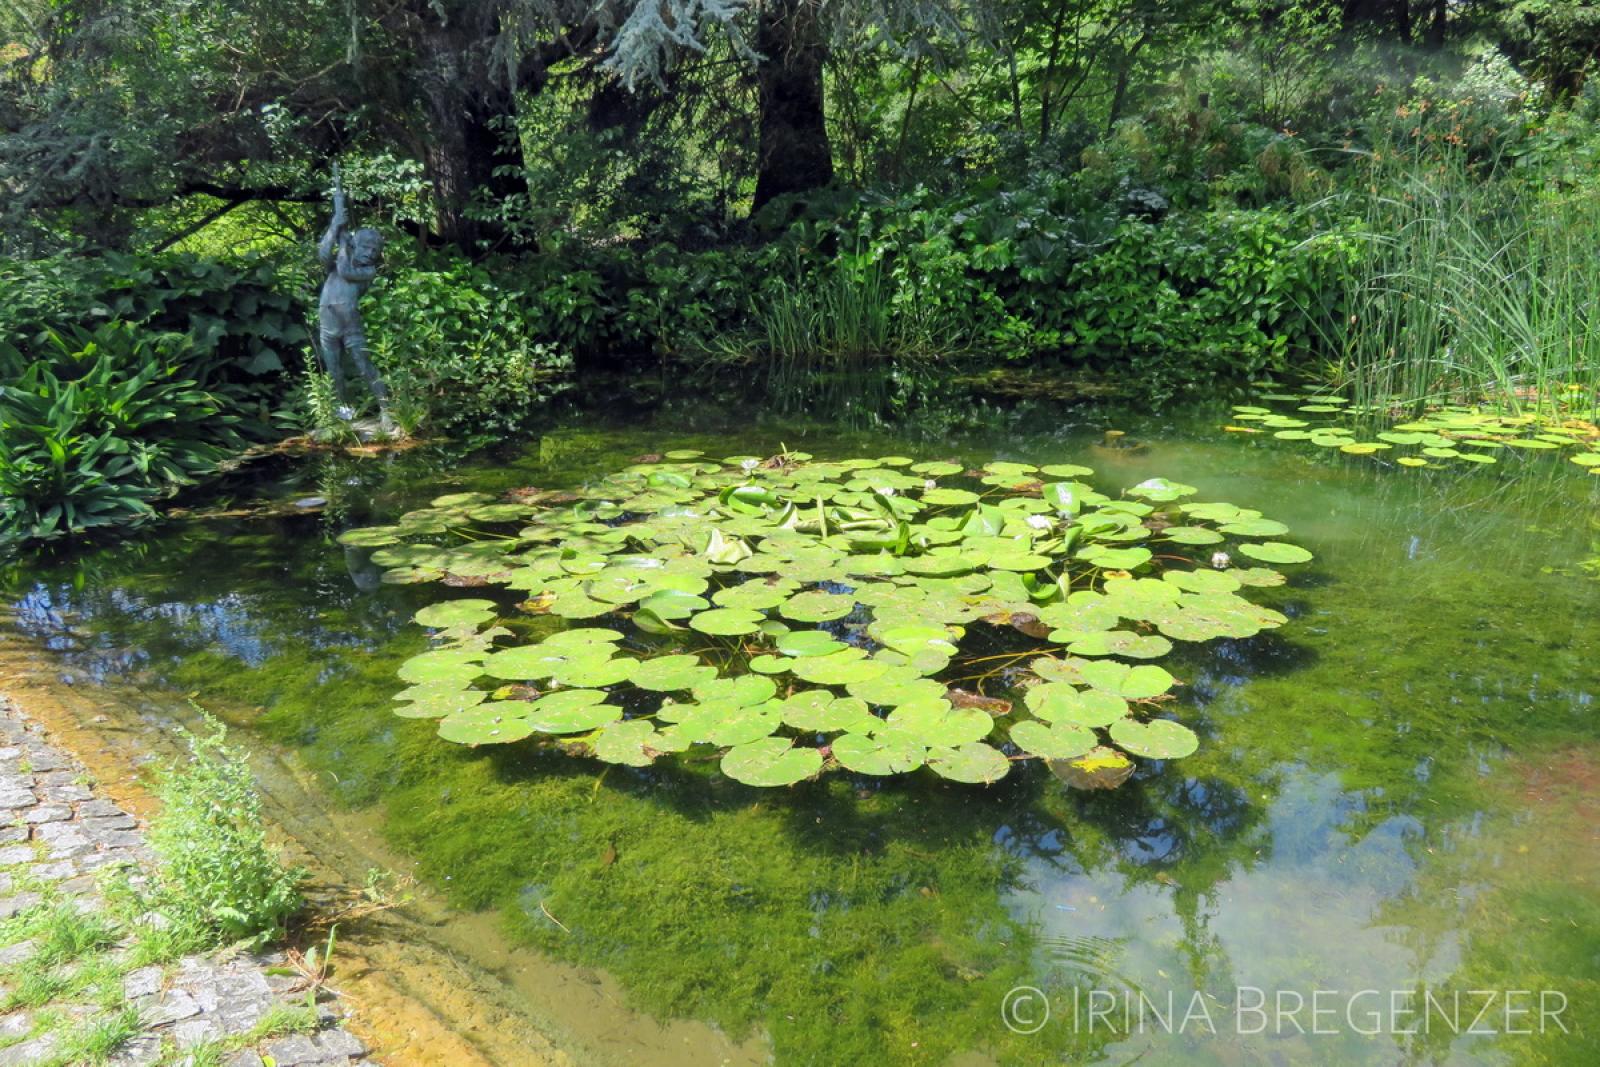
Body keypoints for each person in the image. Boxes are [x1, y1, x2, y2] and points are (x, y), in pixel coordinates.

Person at [317, 178, 394, 433]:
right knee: (334, 370)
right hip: (327, 320)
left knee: (364, 365)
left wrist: (343, 244)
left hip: (350, 324)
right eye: (367, 246)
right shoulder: (343, 255)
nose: (372, 253)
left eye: (376, 249)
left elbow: (344, 269)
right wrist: (334, 227)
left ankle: (386, 411)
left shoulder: (367, 271)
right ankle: (342, 415)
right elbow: (323, 256)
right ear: (356, 244)